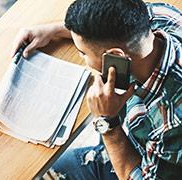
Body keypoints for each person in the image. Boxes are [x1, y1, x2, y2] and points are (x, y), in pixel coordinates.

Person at [11, 0, 182, 179]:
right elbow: (110, 25)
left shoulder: (171, 123)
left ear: (115, 56)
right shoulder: (163, 16)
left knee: (52, 169)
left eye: (83, 52)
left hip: (144, 162)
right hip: (138, 133)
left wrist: (109, 124)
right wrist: (53, 30)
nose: (80, 55)